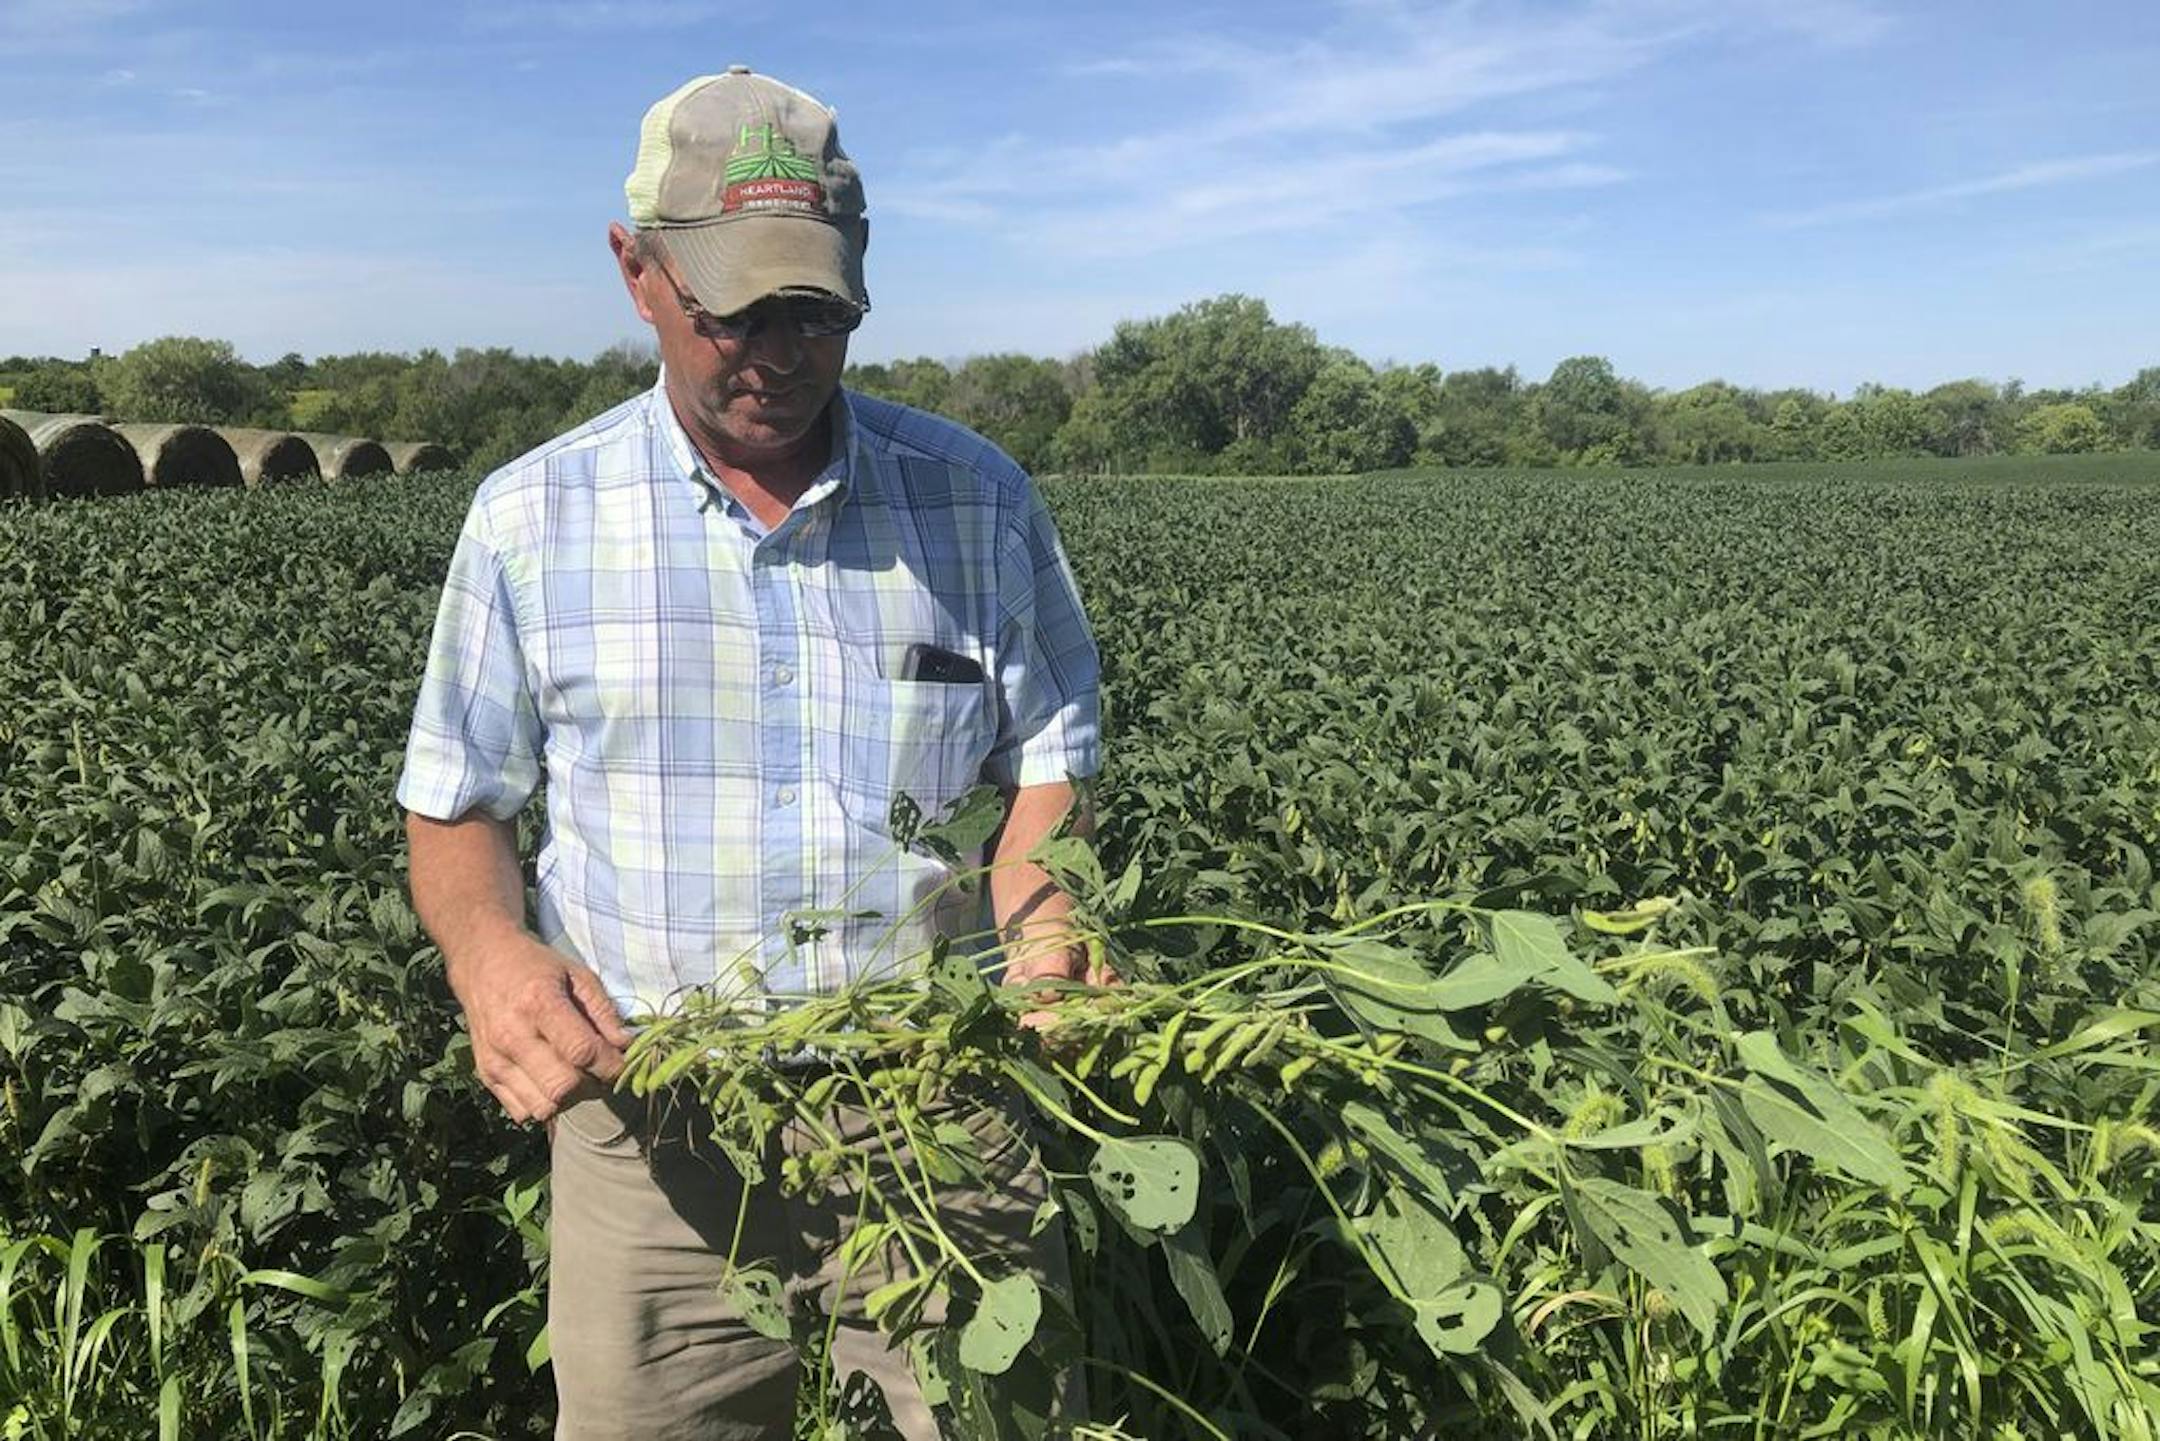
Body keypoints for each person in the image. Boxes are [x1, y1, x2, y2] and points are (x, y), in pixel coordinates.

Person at [396, 67, 1104, 1439]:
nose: (776, 352)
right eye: (734, 311)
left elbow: (1046, 768)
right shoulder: (531, 522)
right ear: (638, 273)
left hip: (941, 1110)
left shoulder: (977, 502)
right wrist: (489, 958)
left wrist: (1046, 902)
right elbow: (457, 804)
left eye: (813, 311)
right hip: (654, 1141)